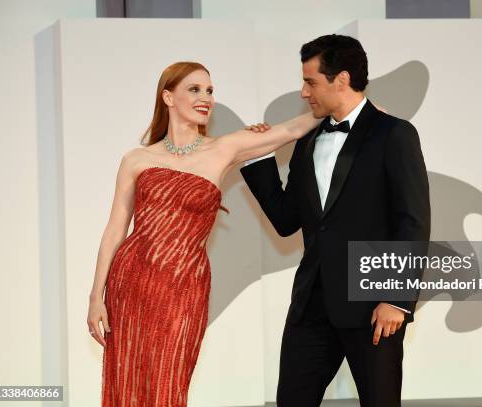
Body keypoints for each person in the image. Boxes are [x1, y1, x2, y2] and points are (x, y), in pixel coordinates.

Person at [86, 61, 319, 407]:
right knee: (129, 379)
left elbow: (293, 128)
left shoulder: (224, 148)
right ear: (168, 96)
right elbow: (115, 228)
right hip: (132, 282)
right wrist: (96, 296)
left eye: (209, 91)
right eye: (194, 89)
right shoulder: (137, 159)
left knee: (169, 382)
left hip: (185, 286)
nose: (206, 97)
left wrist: (357, 108)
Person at [240, 34, 431, 407]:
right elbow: (285, 220)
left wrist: (396, 298)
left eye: (310, 81)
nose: (303, 92)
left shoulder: (394, 134)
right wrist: (255, 156)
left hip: (373, 303)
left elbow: (413, 221)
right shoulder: (308, 141)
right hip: (312, 303)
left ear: (341, 79)